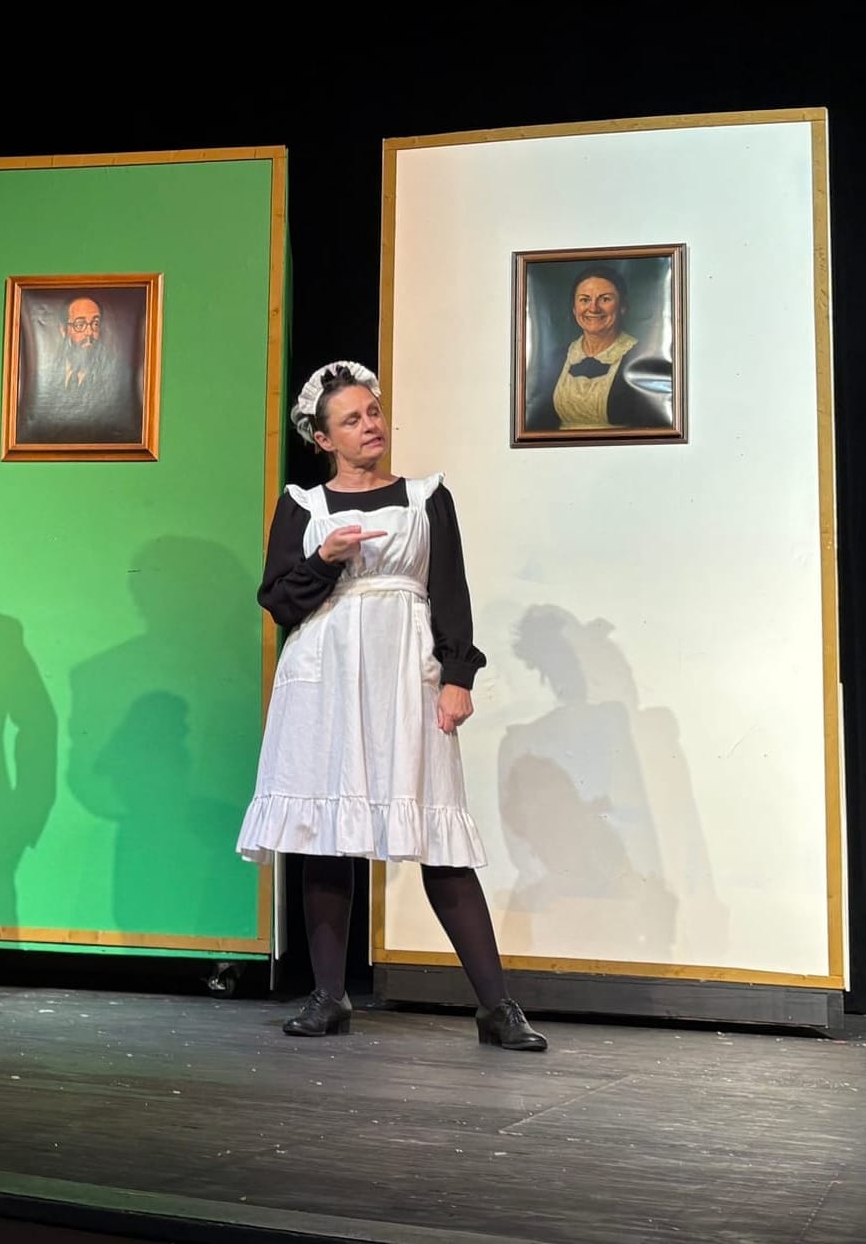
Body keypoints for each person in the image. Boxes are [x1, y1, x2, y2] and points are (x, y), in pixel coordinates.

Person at [235, 361, 547, 1050]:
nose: (370, 425)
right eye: (352, 419)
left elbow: (451, 589)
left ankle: (496, 1006)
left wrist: (458, 675)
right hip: (325, 671)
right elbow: (279, 601)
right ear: (323, 438)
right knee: (327, 831)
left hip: (406, 667)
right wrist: (323, 557)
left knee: (437, 831)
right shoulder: (304, 506)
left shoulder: (427, 496)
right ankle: (327, 995)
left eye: (372, 412)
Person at [524, 265, 672, 432]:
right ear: (574, 309)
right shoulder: (557, 358)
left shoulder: (641, 359)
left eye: (605, 299)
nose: (593, 308)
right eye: (584, 300)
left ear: (622, 306)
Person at [15, 294, 141, 445]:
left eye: (95, 324)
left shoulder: (120, 377)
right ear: (64, 331)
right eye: (80, 325)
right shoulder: (40, 379)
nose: (89, 333)